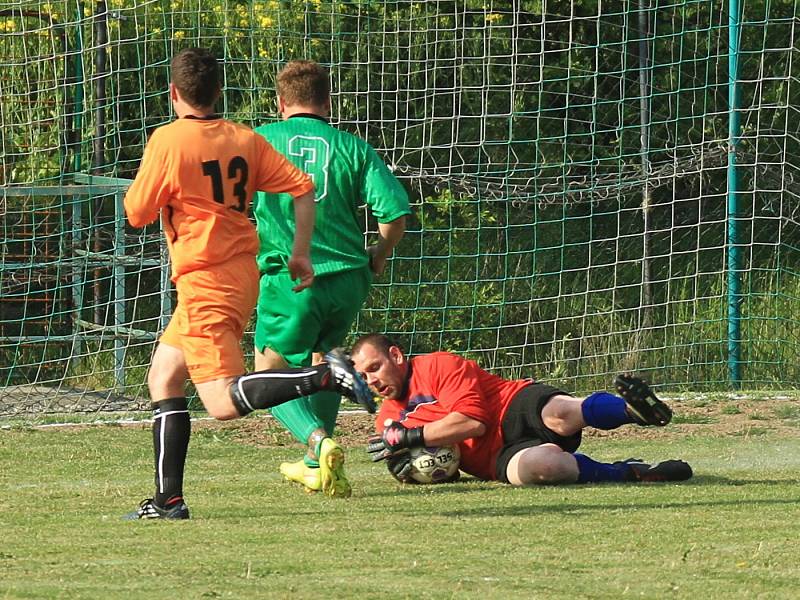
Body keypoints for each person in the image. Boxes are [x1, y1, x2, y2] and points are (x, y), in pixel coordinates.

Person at [122, 48, 375, 520]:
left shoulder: (169, 140)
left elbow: (136, 213)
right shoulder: (244, 137)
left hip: (204, 278)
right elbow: (302, 187)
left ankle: (325, 374)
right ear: (220, 92)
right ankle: (168, 501)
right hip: (242, 272)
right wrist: (301, 253)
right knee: (164, 375)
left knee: (220, 401)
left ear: (173, 93)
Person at [250, 60, 411, 497]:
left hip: (294, 277)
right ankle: (314, 467)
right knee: (325, 362)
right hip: (348, 280)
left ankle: (317, 442)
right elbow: (394, 215)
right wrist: (379, 254)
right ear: (327, 101)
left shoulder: (260, 140)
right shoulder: (353, 147)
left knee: (268, 367)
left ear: (281, 102)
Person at [351, 334, 693, 485]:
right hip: (494, 459)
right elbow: (440, 467)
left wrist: (412, 436)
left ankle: (633, 411)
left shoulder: (438, 365)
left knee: (560, 413)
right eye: (364, 376)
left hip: (510, 405)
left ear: (396, 356)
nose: (372, 380)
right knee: (544, 467)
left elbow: (473, 422)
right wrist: (412, 472)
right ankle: (630, 472)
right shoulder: (388, 421)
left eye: (375, 367)